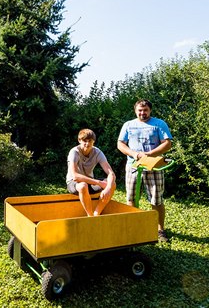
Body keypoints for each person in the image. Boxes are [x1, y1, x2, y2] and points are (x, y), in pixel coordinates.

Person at [117, 99, 173, 242]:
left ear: (150, 110)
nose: (143, 113)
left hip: (154, 166)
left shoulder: (159, 124)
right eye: (140, 110)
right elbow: (120, 144)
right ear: (135, 111)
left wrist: (149, 154)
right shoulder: (128, 125)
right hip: (133, 166)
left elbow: (167, 143)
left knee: (156, 199)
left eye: (145, 110)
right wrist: (134, 154)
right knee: (131, 198)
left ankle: (160, 230)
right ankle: (135, 227)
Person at [66, 129, 116, 217]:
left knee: (112, 183)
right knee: (83, 185)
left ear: (94, 142)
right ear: (79, 140)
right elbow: (75, 176)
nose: (87, 144)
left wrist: (108, 187)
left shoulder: (97, 152)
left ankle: (97, 213)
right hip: (74, 183)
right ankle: (90, 216)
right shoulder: (74, 152)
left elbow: (111, 173)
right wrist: (98, 182)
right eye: (84, 141)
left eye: (90, 141)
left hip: (90, 182)